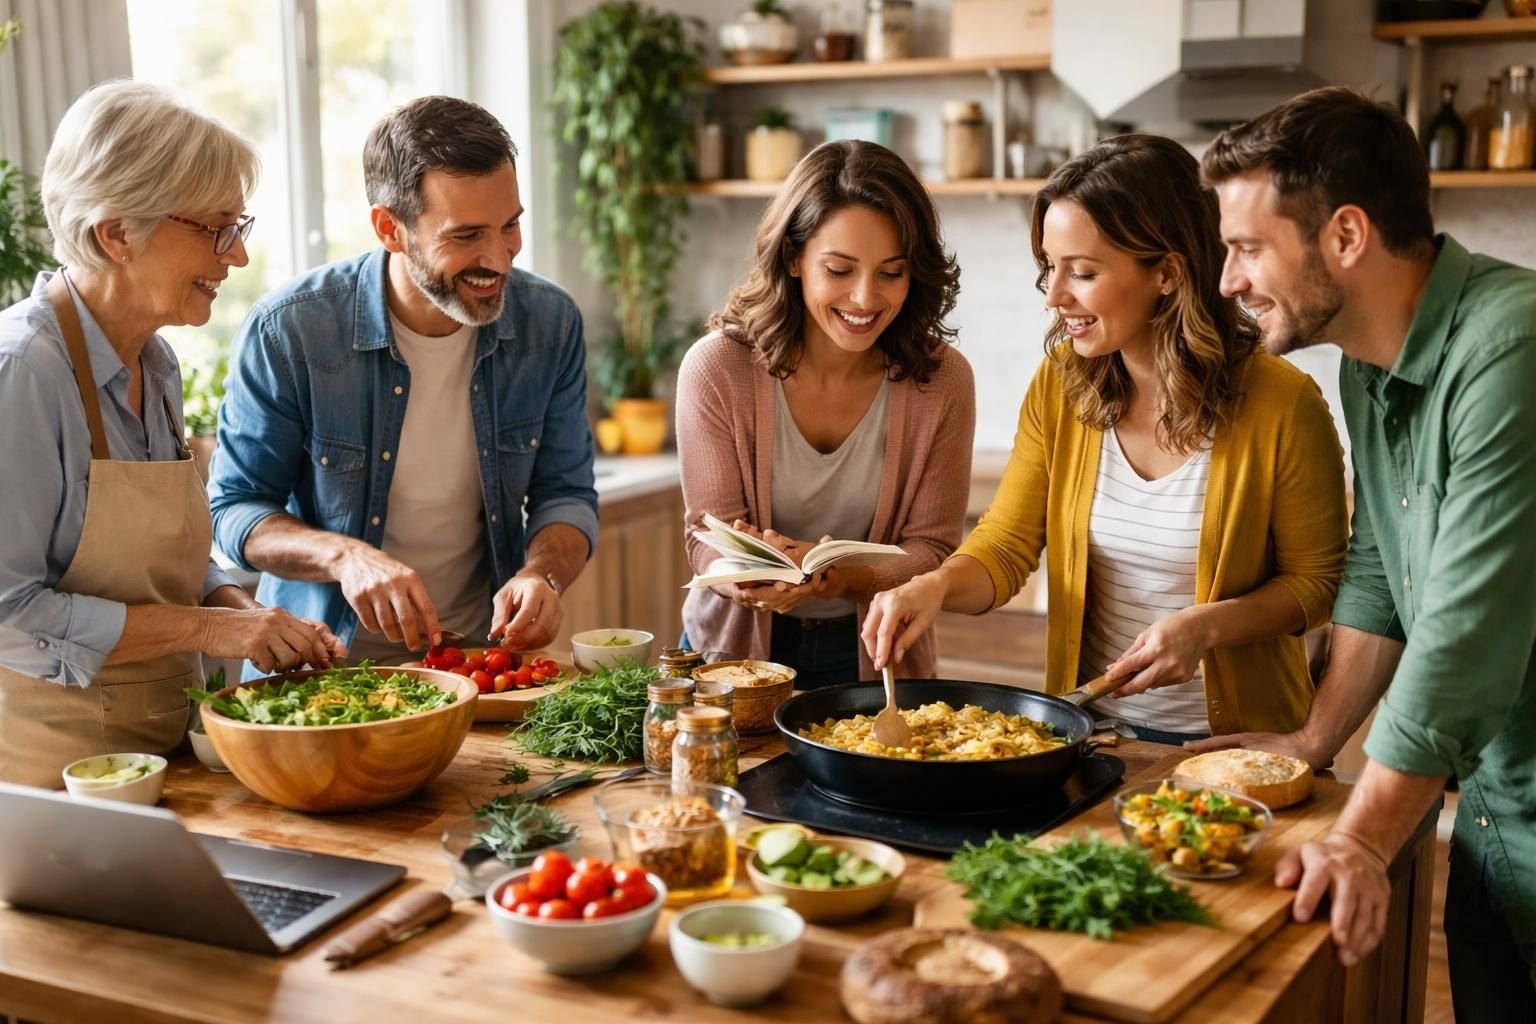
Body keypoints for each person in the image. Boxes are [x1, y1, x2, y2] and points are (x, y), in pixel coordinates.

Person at [1190, 87, 1536, 1017]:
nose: (1228, 280)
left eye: (1248, 248)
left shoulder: (1513, 348)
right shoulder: (1367, 368)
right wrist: (1314, 740)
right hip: (1501, 824)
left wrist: (1361, 840)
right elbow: (1383, 575)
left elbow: (1465, 626)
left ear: (1345, 235)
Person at [863, 134, 1349, 744]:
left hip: (1234, 746)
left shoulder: (1283, 403)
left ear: (1167, 272)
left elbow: (1319, 583)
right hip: (1093, 737)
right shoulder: (1062, 385)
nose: (1054, 295)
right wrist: (934, 586)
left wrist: (1208, 626)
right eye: (1050, 268)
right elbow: (1008, 544)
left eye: (1083, 272)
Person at [0, 82, 343, 787]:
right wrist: (205, 630)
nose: (236, 258)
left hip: (162, 761)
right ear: (116, 234)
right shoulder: (21, 375)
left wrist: (238, 606)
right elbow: (9, 614)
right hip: (52, 788)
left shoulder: (155, 362)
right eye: (215, 229)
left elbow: (161, 562)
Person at [207, 97, 598, 672]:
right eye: (465, 236)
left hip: (477, 666)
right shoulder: (290, 330)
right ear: (391, 228)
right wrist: (346, 557)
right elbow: (235, 511)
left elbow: (565, 493)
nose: (500, 257)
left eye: (510, 224)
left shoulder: (550, 323)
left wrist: (543, 574)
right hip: (320, 673)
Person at [676, 140, 975, 685]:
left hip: (874, 658)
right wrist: (742, 574)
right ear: (794, 257)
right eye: (839, 269)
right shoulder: (718, 367)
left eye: (891, 272)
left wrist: (834, 574)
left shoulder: (943, 380)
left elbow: (931, 549)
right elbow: (704, 536)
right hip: (732, 659)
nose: (865, 298)